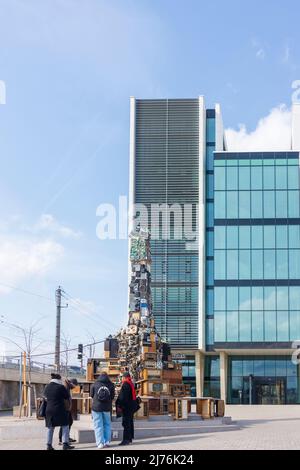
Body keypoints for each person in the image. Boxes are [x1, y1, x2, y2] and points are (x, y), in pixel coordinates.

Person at [43, 373, 75, 451]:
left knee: (50, 428)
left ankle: (49, 445)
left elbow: (45, 397)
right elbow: (66, 397)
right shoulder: (60, 387)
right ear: (58, 379)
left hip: (49, 410)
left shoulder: (47, 387)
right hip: (60, 409)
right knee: (65, 425)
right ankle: (65, 444)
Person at [90, 372, 115, 449]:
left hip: (96, 408)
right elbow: (112, 396)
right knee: (107, 424)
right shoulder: (111, 385)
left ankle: (100, 443)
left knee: (98, 425)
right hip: (107, 408)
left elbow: (91, 395)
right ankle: (107, 441)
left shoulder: (94, 384)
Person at [116, 372, 136, 446]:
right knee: (130, 423)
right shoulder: (131, 383)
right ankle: (130, 438)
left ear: (124, 377)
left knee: (126, 423)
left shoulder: (125, 384)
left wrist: (119, 405)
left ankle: (126, 440)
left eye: (121, 377)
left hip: (127, 407)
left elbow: (122, 397)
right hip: (131, 407)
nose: (121, 379)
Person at [58, 378, 78, 446]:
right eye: (74, 385)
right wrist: (67, 407)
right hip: (65, 408)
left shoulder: (68, 387)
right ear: (71, 383)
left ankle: (66, 437)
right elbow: (65, 399)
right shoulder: (65, 387)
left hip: (67, 408)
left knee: (69, 422)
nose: (74, 387)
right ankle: (62, 439)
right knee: (65, 423)